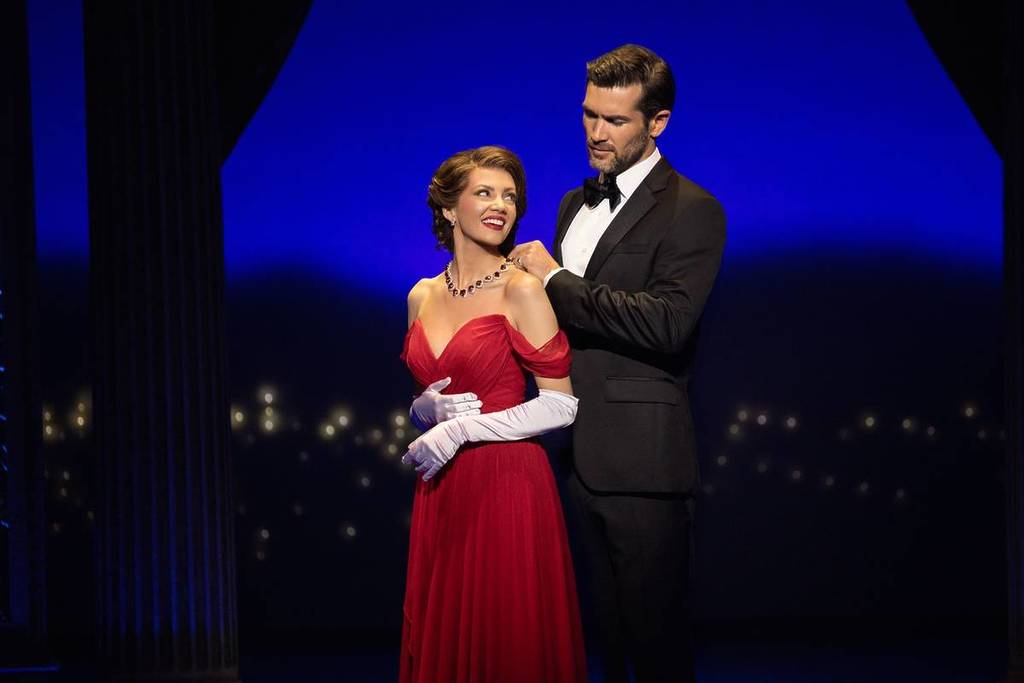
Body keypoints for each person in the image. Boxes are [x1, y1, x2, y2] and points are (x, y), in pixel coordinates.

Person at [507, 44, 726, 682]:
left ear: (657, 123)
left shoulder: (692, 210)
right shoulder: (575, 206)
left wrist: (554, 280)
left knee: (656, 646)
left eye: (616, 121)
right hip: (573, 453)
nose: (596, 134)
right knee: (601, 646)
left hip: (642, 464)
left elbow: (666, 323)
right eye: (588, 115)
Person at [398, 145, 587, 682]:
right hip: (443, 488)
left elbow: (561, 404)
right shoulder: (421, 296)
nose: (500, 205)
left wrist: (461, 429)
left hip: (508, 485)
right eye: (483, 192)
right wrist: (421, 410)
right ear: (448, 209)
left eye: (509, 195)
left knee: (507, 641)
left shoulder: (521, 289)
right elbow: (431, 395)